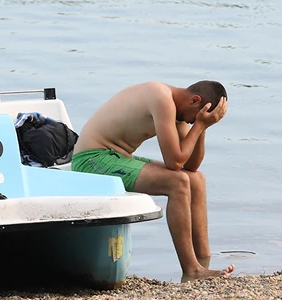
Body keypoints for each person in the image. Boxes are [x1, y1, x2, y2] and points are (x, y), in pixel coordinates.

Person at [72, 81, 234, 280]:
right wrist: (199, 125)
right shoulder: (161, 98)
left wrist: (203, 127)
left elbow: (192, 166)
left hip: (119, 158)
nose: (192, 123)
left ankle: (203, 261)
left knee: (196, 180)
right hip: (92, 160)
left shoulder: (180, 110)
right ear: (195, 100)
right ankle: (192, 269)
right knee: (178, 182)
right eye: (195, 119)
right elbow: (174, 161)